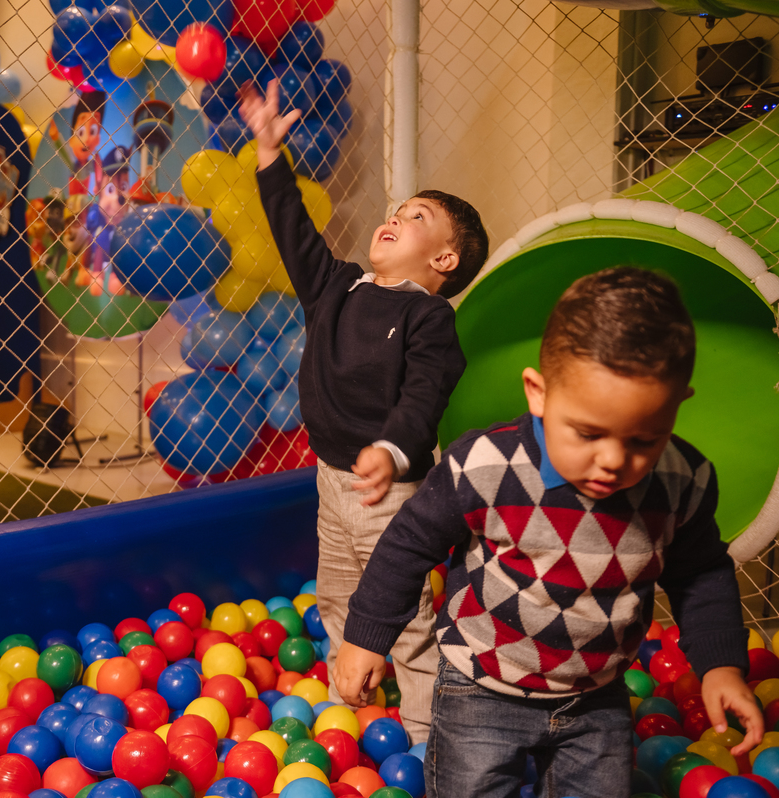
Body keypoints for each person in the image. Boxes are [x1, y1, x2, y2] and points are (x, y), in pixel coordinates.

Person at [333, 267, 763, 798]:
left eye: (644, 439)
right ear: (538, 393)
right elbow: (409, 542)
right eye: (587, 433)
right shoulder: (486, 465)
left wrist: (720, 665)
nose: (612, 461)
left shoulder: (682, 482)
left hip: (596, 695)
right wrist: (366, 637)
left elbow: (701, 574)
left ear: (678, 406)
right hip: (481, 686)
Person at [238, 80, 489, 742]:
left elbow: (426, 392)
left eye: (418, 218)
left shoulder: (427, 316)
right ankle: (343, 718)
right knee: (338, 599)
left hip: (392, 489)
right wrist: (269, 153)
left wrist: (392, 449)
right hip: (330, 478)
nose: (397, 216)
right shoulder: (338, 286)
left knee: (402, 617)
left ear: (444, 258)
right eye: (398, 208)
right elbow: (294, 231)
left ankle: (426, 736)